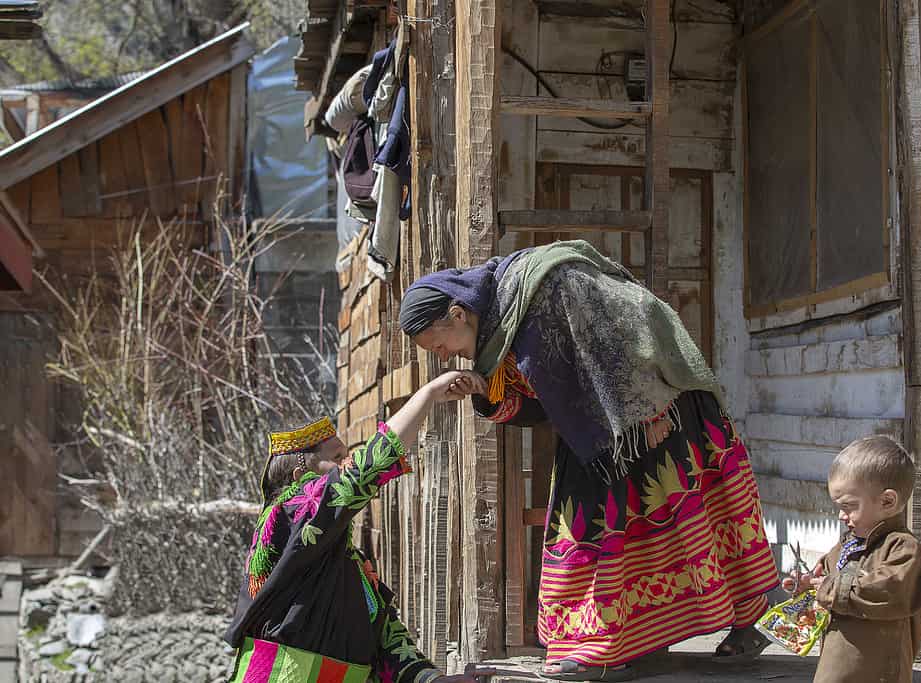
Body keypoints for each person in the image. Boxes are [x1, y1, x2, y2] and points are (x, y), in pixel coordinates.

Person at [399, 241, 779, 680]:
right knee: (597, 528)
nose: (443, 356)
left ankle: (730, 626)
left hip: (657, 410)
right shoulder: (502, 331)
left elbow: (623, 334)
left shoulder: (547, 285)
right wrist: (487, 391)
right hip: (600, 432)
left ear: (458, 313)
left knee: (681, 520)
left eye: (438, 345)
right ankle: (621, 642)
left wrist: (648, 413)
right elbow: (546, 403)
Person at [224, 370, 490, 683]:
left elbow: (386, 642)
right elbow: (363, 472)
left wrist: (434, 680)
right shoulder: (288, 513)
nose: (347, 463)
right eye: (338, 457)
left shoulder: (344, 563)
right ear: (301, 480)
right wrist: (427, 395)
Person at [783, 436, 921, 683]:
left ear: (887, 501)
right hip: (836, 667)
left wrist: (829, 588)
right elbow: (826, 581)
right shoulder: (848, 545)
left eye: (849, 506)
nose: (841, 516)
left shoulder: (902, 548)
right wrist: (807, 585)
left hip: (879, 673)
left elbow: (887, 590)